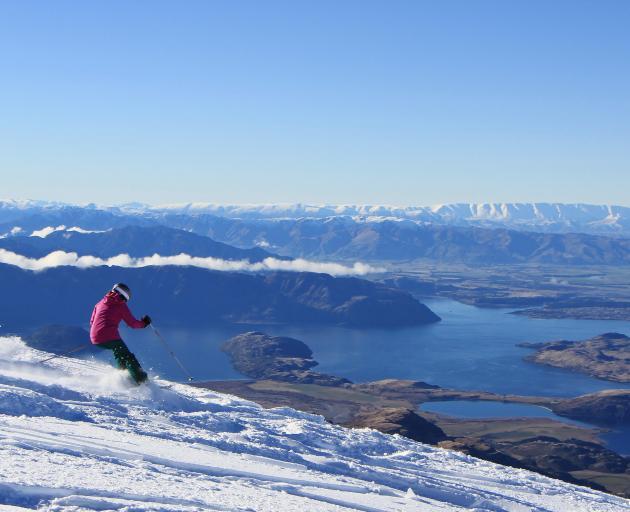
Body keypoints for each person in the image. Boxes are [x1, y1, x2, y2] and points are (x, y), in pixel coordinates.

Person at [90, 283, 152, 384]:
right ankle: (143, 382)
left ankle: (123, 377)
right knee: (128, 357)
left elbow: (92, 322)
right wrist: (144, 323)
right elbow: (132, 323)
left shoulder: (100, 303)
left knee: (120, 354)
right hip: (109, 336)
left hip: (95, 338)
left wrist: (97, 335)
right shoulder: (120, 305)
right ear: (124, 296)